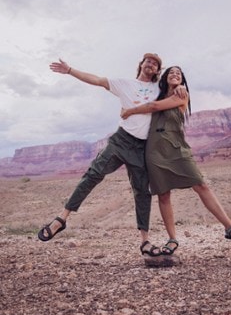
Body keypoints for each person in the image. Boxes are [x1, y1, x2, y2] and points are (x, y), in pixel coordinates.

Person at [38, 53, 186, 257]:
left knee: (142, 192)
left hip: (142, 147)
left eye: (155, 63)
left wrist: (179, 88)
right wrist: (70, 70)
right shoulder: (124, 83)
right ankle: (61, 219)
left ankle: (144, 241)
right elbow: (97, 80)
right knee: (93, 174)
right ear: (141, 64)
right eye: (148, 61)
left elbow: (174, 89)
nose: (151, 64)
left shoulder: (158, 89)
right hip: (121, 140)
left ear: (157, 70)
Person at [121, 66, 231, 254]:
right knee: (164, 194)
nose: (175, 75)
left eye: (179, 74)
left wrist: (130, 111)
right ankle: (172, 239)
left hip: (177, 149)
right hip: (154, 152)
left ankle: (230, 228)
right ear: (165, 77)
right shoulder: (156, 94)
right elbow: (147, 98)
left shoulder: (181, 95)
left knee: (201, 185)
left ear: (182, 80)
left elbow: (153, 108)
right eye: (171, 72)